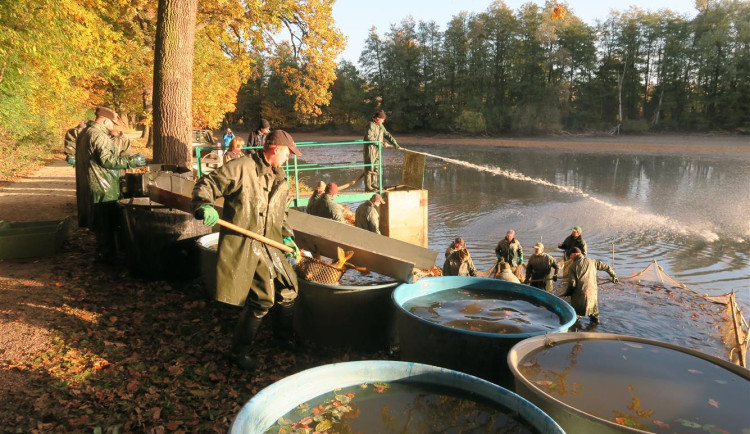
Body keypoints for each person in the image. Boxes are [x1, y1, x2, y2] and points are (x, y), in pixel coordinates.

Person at [192, 130, 303, 370]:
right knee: (262, 298)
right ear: (275, 149)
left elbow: (281, 213)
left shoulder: (280, 176)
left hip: (271, 243)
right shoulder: (241, 167)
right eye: (287, 153)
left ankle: (281, 339)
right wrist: (204, 204)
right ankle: (238, 352)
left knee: (289, 289)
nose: (288, 158)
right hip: (246, 243)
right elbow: (207, 184)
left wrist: (288, 237)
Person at [75, 107, 146, 262]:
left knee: (102, 224)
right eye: (112, 124)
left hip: (93, 184)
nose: (112, 127)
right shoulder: (98, 135)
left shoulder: (84, 132)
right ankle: (107, 258)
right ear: (105, 120)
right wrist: (132, 162)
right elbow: (107, 160)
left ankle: (105, 254)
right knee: (106, 224)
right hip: (102, 185)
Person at [561, 247, 618, 324]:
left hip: (579, 295)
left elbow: (572, 284)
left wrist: (567, 293)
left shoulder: (573, 266)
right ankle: (595, 329)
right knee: (594, 314)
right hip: (592, 293)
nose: (570, 258)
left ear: (575, 254)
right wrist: (614, 275)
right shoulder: (592, 261)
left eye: (570, 255)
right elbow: (606, 267)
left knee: (576, 315)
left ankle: (576, 331)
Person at [363, 110, 401, 192]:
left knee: (376, 167)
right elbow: (369, 138)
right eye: (382, 119)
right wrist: (383, 144)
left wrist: (395, 143)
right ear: (377, 118)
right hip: (370, 149)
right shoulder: (370, 125)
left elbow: (387, 134)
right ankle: (368, 187)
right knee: (370, 167)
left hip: (377, 149)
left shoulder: (380, 126)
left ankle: (374, 184)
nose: (383, 121)